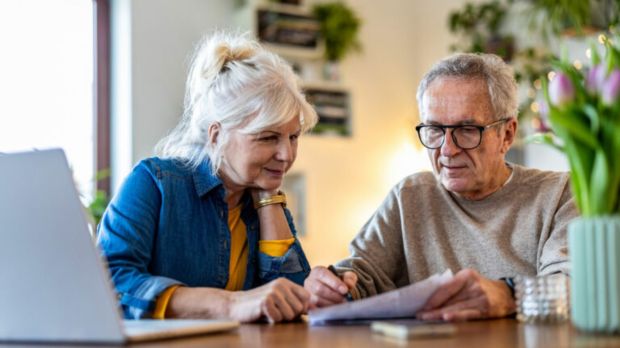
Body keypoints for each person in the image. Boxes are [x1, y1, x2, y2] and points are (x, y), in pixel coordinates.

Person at [304, 53, 578, 321]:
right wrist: (334, 286)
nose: (448, 149)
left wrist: (509, 294)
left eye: (467, 129)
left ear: (506, 134)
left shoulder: (560, 194)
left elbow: (573, 286)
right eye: (435, 129)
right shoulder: (410, 195)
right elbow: (361, 274)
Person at [97, 32, 318, 323]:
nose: (287, 155)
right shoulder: (154, 183)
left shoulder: (261, 195)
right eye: (268, 138)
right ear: (216, 136)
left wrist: (269, 199)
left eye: (293, 137)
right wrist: (228, 305)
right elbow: (108, 283)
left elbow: (291, 300)